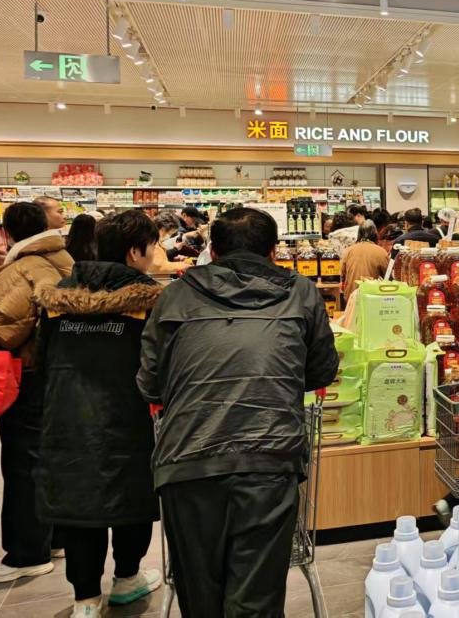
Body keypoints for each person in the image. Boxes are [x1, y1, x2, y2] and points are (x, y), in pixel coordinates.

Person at [137, 207, 338, 617]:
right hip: (269, 459)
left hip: (187, 460)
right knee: (257, 597)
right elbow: (321, 370)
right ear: (274, 251)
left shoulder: (175, 295)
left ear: (212, 250)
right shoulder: (301, 292)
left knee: (199, 595)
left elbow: (149, 383)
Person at [35, 210, 163, 616]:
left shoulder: (59, 297)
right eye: (151, 247)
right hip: (129, 415)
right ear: (134, 252)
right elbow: (160, 365)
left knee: (78, 505)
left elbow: (43, 359)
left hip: (67, 417)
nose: (153, 255)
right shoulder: (150, 301)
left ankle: (85, 599)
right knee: (132, 497)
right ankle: (127, 578)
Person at [0, 201, 74, 583]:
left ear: (9, 232)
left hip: (29, 376)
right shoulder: (61, 258)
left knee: (22, 464)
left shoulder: (24, 267)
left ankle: (27, 554)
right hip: (59, 373)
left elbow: (7, 331)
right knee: (50, 458)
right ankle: (56, 536)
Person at [341, 220, 391, 300]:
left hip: (351, 297)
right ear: (375, 234)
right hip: (373, 298)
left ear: (359, 234)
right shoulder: (381, 252)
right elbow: (388, 277)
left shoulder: (348, 251)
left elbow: (342, 273)